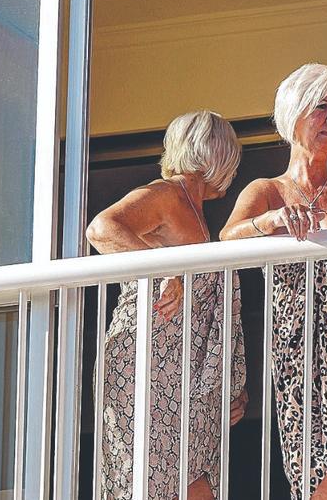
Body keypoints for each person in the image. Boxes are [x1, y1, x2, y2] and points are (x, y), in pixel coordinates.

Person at [220, 63, 327, 499]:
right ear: (293, 113)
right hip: (299, 350)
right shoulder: (267, 190)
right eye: (322, 108)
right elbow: (226, 237)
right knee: (314, 476)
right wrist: (271, 220)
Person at [87, 110, 248, 500]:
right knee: (151, 483)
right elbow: (102, 229)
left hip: (183, 374)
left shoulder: (196, 212)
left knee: (192, 483)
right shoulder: (165, 193)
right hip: (147, 364)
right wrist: (159, 272)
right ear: (221, 157)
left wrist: (226, 388)